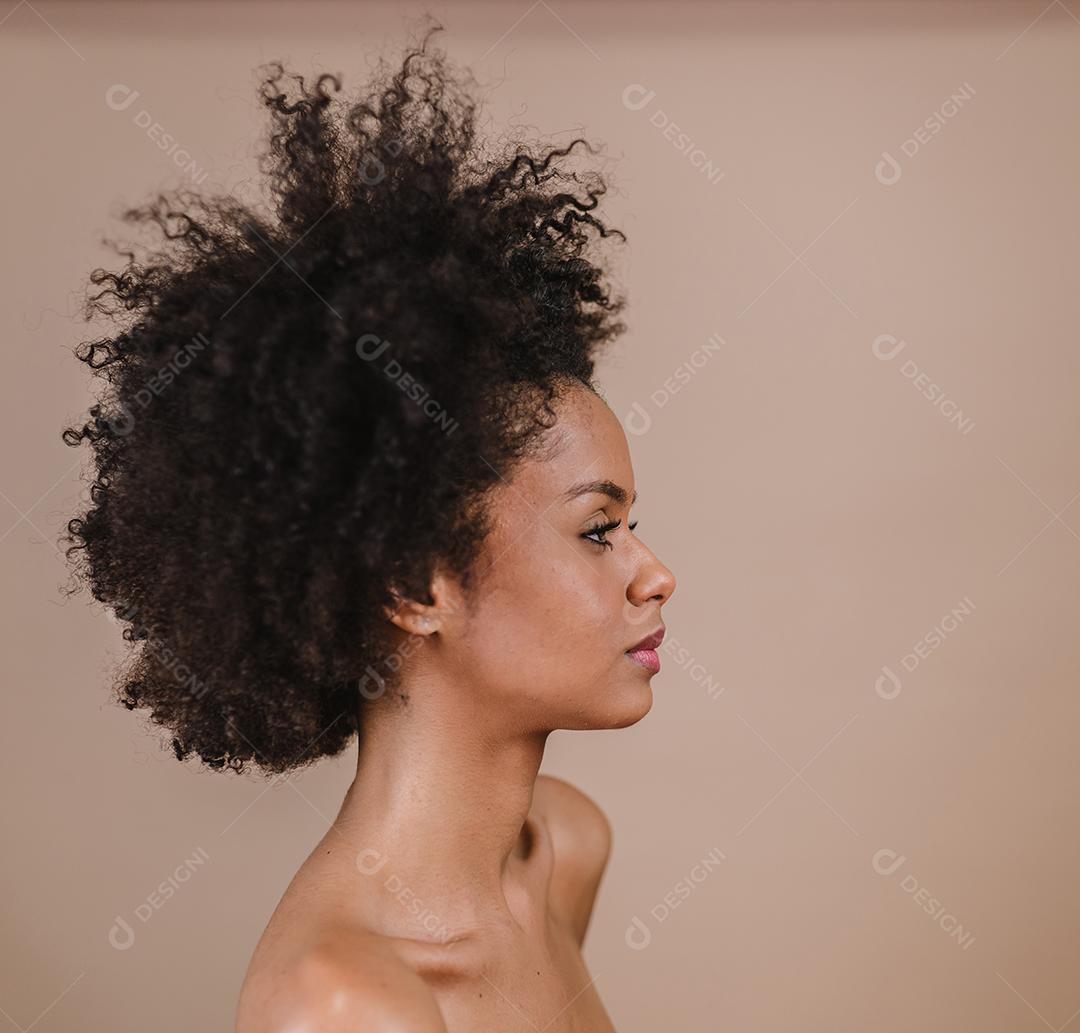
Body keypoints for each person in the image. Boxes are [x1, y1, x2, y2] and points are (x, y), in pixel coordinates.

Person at [60, 17, 676, 1031]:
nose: (655, 574)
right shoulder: (348, 1005)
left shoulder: (564, 853)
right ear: (416, 585)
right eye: (597, 529)